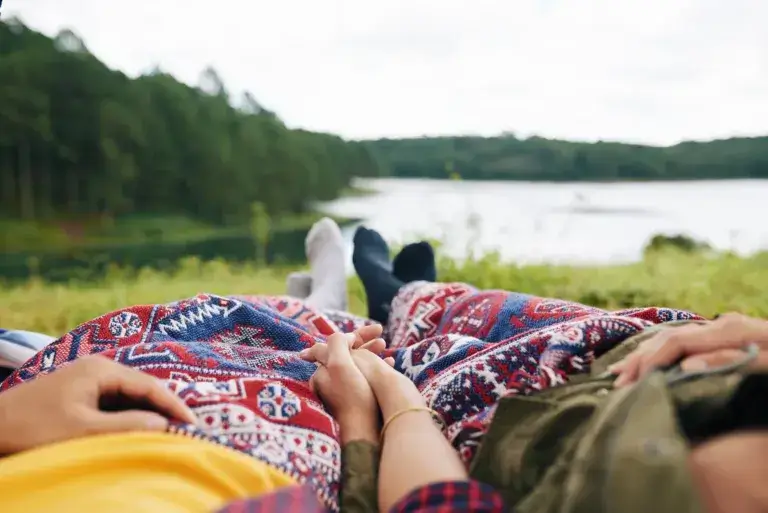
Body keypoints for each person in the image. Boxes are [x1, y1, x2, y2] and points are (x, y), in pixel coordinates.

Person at [2, 219, 768, 512]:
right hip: (667, 356)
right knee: (495, 325)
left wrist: (379, 409)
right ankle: (406, 291)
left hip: (544, 424)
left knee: (233, 340)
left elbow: (428, 497)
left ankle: (368, 302)